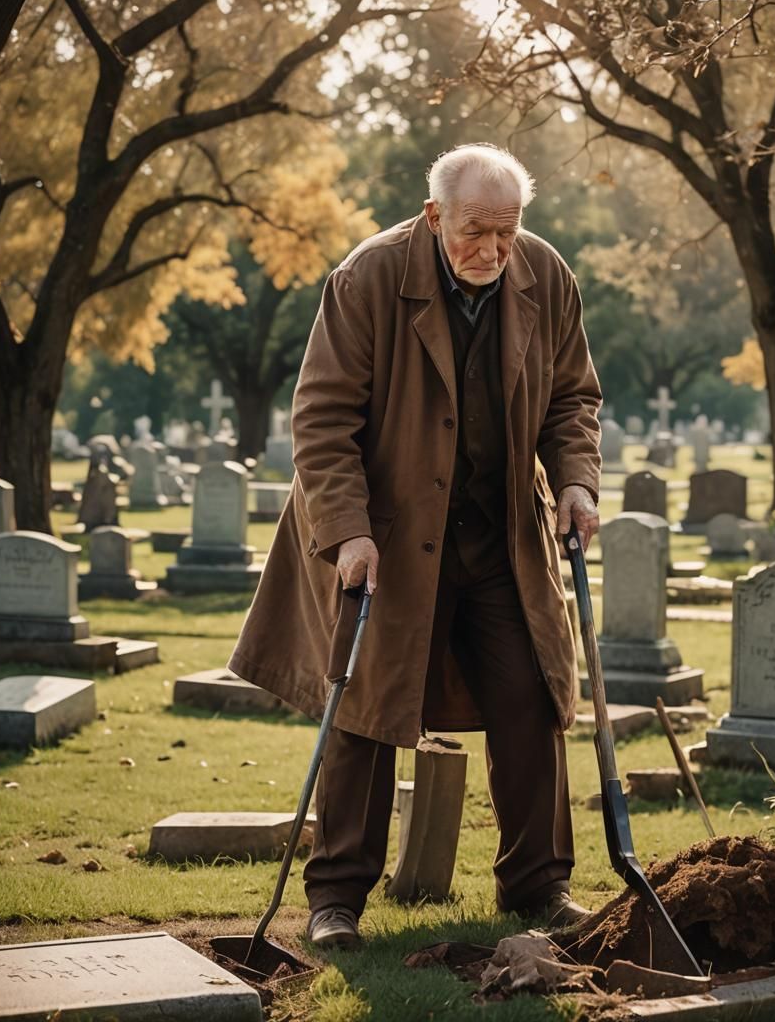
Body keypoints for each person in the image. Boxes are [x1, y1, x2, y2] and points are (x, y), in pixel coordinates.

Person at [228, 143, 602, 949]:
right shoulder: (367, 278)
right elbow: (323, 421)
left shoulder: (545, 276)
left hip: (499, 532)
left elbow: (573, 398)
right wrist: (349, 533)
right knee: (366, 704)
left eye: (507, 232)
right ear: (435, 216)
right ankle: (335, 901)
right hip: (387, 535)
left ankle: (539, 886)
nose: (493, 252)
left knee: (532, 697)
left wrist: (576, 480)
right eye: (475, 231)